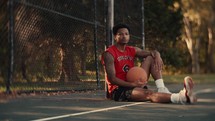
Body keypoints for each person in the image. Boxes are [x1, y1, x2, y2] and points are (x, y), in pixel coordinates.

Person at [101, 23, 197, 104]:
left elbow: (153, 53)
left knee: (151, 57)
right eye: (120, 34)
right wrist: (131, 84)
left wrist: (158, 56)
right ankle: (182, 97)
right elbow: (112, 79)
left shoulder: (132, 49)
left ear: (129, 36)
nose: (124, 36)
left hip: (133, 81)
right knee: (149, 93)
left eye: (126, 34)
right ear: (115, 36)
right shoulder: (109, 54)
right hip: (118, 89)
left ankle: (161, 88)